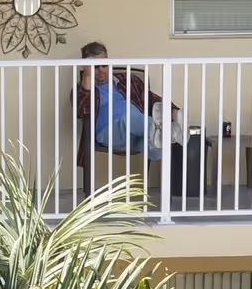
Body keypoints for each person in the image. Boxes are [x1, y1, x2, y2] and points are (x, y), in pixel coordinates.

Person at [75, 41, 188, 193]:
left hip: (137, 131)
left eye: (104, 65)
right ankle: (169, 132)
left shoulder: (128, 80)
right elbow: (80, 109)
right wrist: (87, 76)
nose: (101, 70)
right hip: (109, 131)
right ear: (86, 67)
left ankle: (162, 132)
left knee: (153, 147)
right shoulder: (82, 90)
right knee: (129, 119)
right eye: (95, 67)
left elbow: (151, 98)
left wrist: (174, 111)